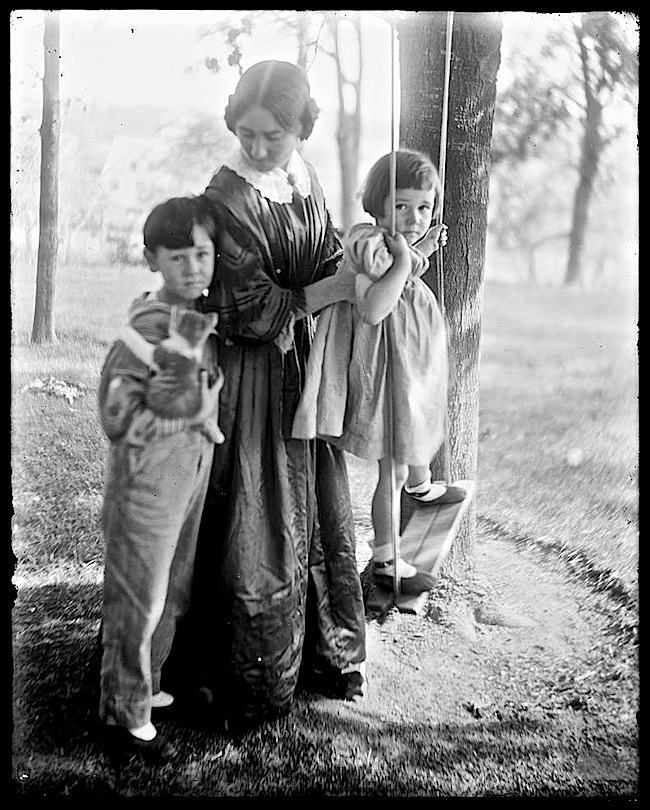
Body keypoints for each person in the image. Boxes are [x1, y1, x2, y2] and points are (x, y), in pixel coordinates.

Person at [162, 61, 366, 730]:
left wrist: (360, 260)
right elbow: (246, 307)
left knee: (313, 510)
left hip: (300, 366)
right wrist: (327, 291)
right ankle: (239, 676)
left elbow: (328, 253)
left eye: (272, 135)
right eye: (246, 133)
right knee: (252, 518)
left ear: (300, 129)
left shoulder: (303, 181)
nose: (256, 147)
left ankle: (317, 657)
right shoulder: (227, 197)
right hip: (249, 377)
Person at [292, 149, 466, 595]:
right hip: (385, 370)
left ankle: (424, 485)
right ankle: (387, 557)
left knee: (418, 424)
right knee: (392, 467)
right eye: (401, 206)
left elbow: (403, 267)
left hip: (406, 365)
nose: (413, 217)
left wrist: (419, 251)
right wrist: (408, 260)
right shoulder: (369, 242)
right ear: (376, 204)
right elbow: (373, 307)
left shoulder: (398, 244)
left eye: (423, 207)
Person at [97, 196, 223, 762]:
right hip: (146, 483)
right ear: (153, 260)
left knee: (171, 588)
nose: (194, 268)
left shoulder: (194, 319)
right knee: (139, 599)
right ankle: (123, 713)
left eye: (203, 253)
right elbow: (117, 414)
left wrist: (203, 424)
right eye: (178, 258)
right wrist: (188, 417)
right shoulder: (147, 326)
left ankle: (145, 688)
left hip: (185, 476)